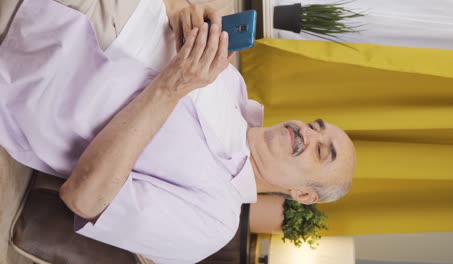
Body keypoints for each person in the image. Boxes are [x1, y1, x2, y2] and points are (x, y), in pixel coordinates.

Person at [0, 0, 356, 263]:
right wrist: (180, 10)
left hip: (41, 63)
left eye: (321, 151)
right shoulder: (232, 83)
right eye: (315, 126)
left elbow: (85, 197)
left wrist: (174, 86)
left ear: (302, 194)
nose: (308, 134)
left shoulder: (212, 222)